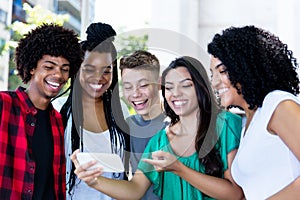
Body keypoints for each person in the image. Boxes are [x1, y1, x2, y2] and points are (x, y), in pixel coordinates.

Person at [71, 56, 244, 200]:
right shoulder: (159, 140)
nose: (175, 93)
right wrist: (95, 181)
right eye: (169, 87)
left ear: (201, 87)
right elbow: (135, 189)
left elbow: (235, 193)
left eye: (185, 85)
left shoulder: (226, 123)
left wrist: (179, 168)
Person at [207, 25, 300, 199]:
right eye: (213, 74)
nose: (215, 82)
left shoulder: (278, 104)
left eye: (222, 71)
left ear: (245, 67)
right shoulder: (249, 125)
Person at [0, 23, 82, 199]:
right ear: (32, 67)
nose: (58, 75)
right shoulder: (4, 104)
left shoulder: (58, 120)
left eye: (65, 69)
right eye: (49, 67)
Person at [59, 22, 130, 200]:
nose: (99, 77)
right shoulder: (58, 110)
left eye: (106, 70)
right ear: (77, 70)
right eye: (89, 69)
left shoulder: (120, 110)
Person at [119, 50, 169, 199]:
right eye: (128, 86)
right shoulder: (127, 126)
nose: (135, 94)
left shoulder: (176, 125)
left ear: (159, 83)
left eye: (143, 85)